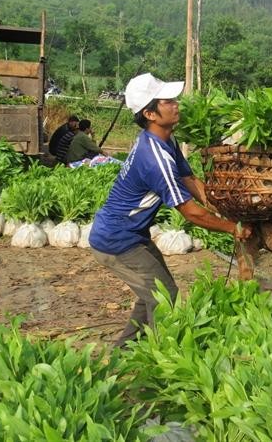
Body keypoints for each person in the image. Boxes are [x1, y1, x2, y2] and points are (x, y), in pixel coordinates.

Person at [89, 73, 252, 347]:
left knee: (154, 293)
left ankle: (125, 352)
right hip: (116, 241)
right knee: (165, 298)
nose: (176, 104)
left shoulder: (166, 141)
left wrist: (221, 208)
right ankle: (161, 357)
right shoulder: (154, 158)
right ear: (151, 113)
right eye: (168, 101)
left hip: (130, 235)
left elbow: (190, 180)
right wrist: (232, 229)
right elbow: (190, 212)